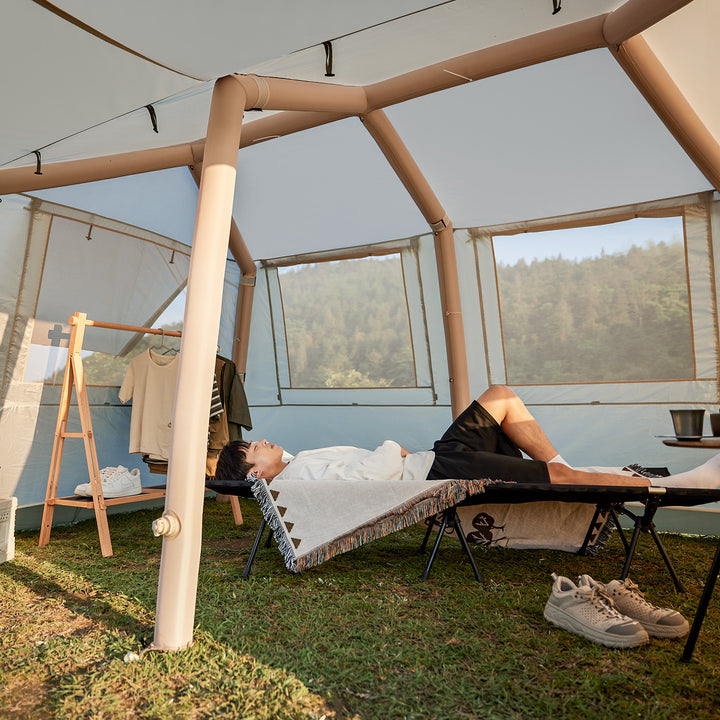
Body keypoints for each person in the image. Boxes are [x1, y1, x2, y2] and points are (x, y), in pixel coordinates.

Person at [214, 385, 720, 490]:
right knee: (558, 478)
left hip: (434, 460)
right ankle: (667, 486)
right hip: (437, 473)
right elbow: (371, 476)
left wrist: (399, 452)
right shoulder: (301, 477)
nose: (262, 441)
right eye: (254, 448)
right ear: (255, 473)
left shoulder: (300, 461)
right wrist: (394, 448)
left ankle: (563, 467)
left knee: (500, 396)